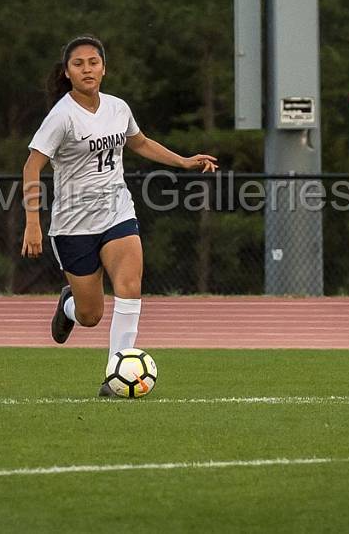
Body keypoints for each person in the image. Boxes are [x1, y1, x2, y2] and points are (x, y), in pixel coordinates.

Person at [21, 34, 217, 396]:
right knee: (90, 316)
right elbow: (32, 167)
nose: (87, 69)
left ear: (104, 68)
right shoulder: (61, 117)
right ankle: (68, 306)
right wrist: (33, 222)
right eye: (78, 64)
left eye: (93, 62)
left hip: (117, 212)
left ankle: (115, 375)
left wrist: (183, 160)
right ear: (67, 73)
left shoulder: (117, 108)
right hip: (73, 225)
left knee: (130, 288)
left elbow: (139, 142)